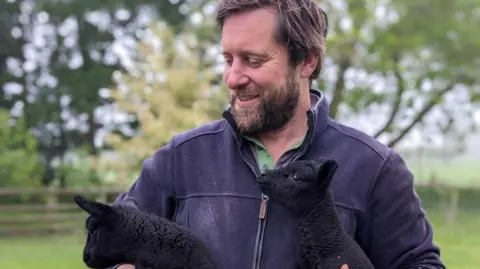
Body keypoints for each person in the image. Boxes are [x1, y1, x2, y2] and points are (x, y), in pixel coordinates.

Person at [108, 0, 445, 268]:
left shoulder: (375, 169)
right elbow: (111, 233)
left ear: (307, 61)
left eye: (252, 61)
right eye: (228, 59)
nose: (233, 78)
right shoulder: (182, 157)